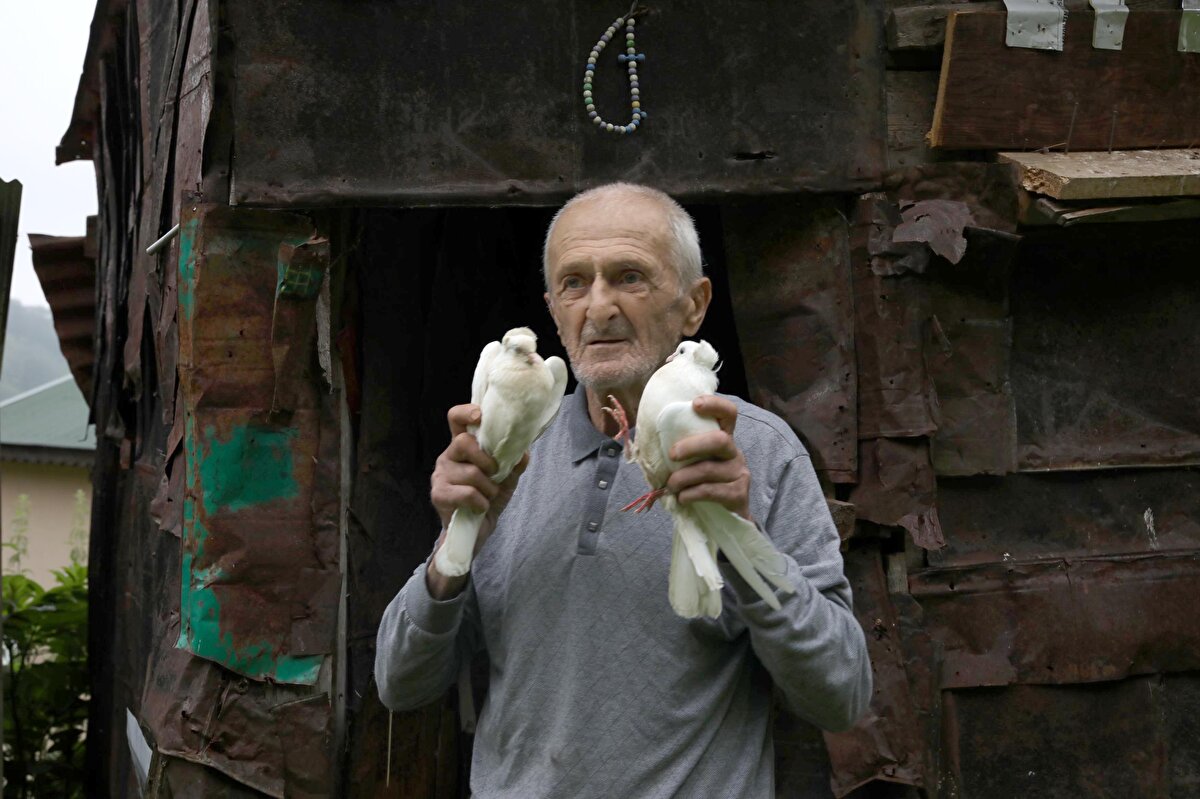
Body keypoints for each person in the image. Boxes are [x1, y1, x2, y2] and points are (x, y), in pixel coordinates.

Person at [375, 183, 871, 797]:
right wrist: (459, 542)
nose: (599, 306)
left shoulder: (759, 452)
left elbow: (840, 695)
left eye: (629, 277)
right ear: (553, 309)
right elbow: (400, 684)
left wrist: (740, 540)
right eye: (574, 283)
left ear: (694, 306)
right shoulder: (506, 449)